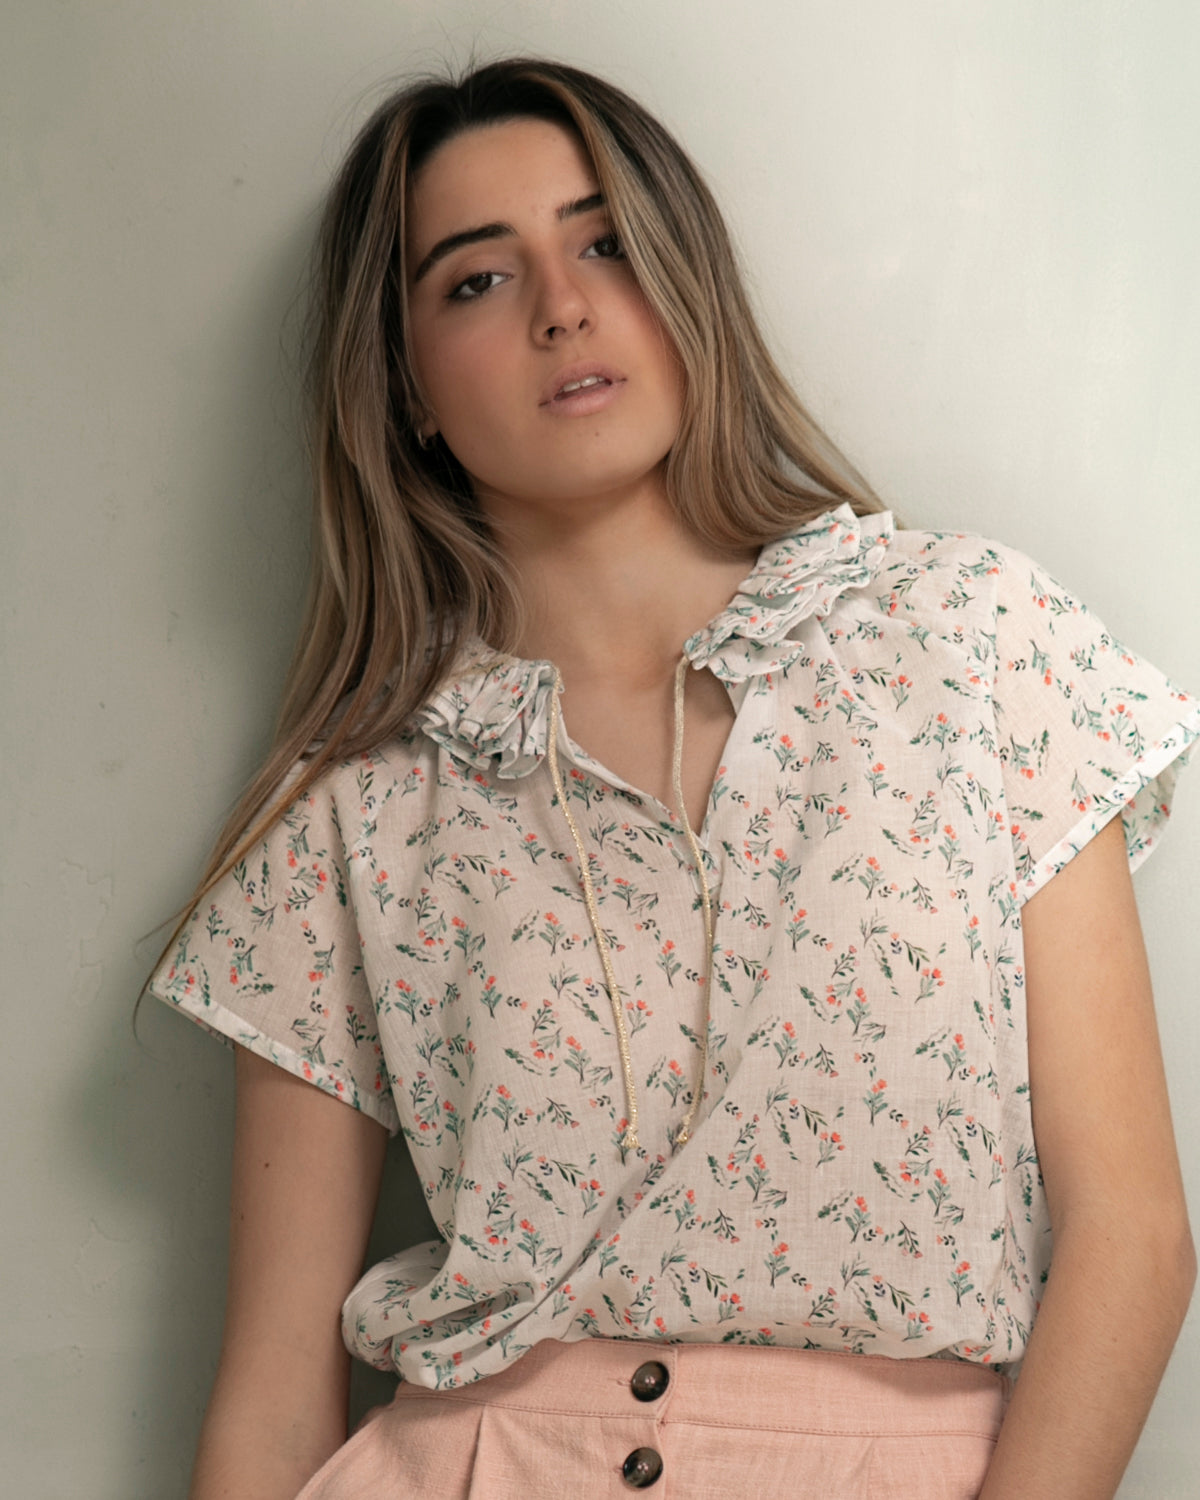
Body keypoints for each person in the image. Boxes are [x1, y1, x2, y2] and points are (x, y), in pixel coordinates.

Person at [145, 56, 1199, 1500]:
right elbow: (271, 1397)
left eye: (605, 244)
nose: (561, 306)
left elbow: (1134, 1238)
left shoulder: (971, 644)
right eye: (476, 280)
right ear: (404, 387)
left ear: (684, 282)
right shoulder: (358, 800)